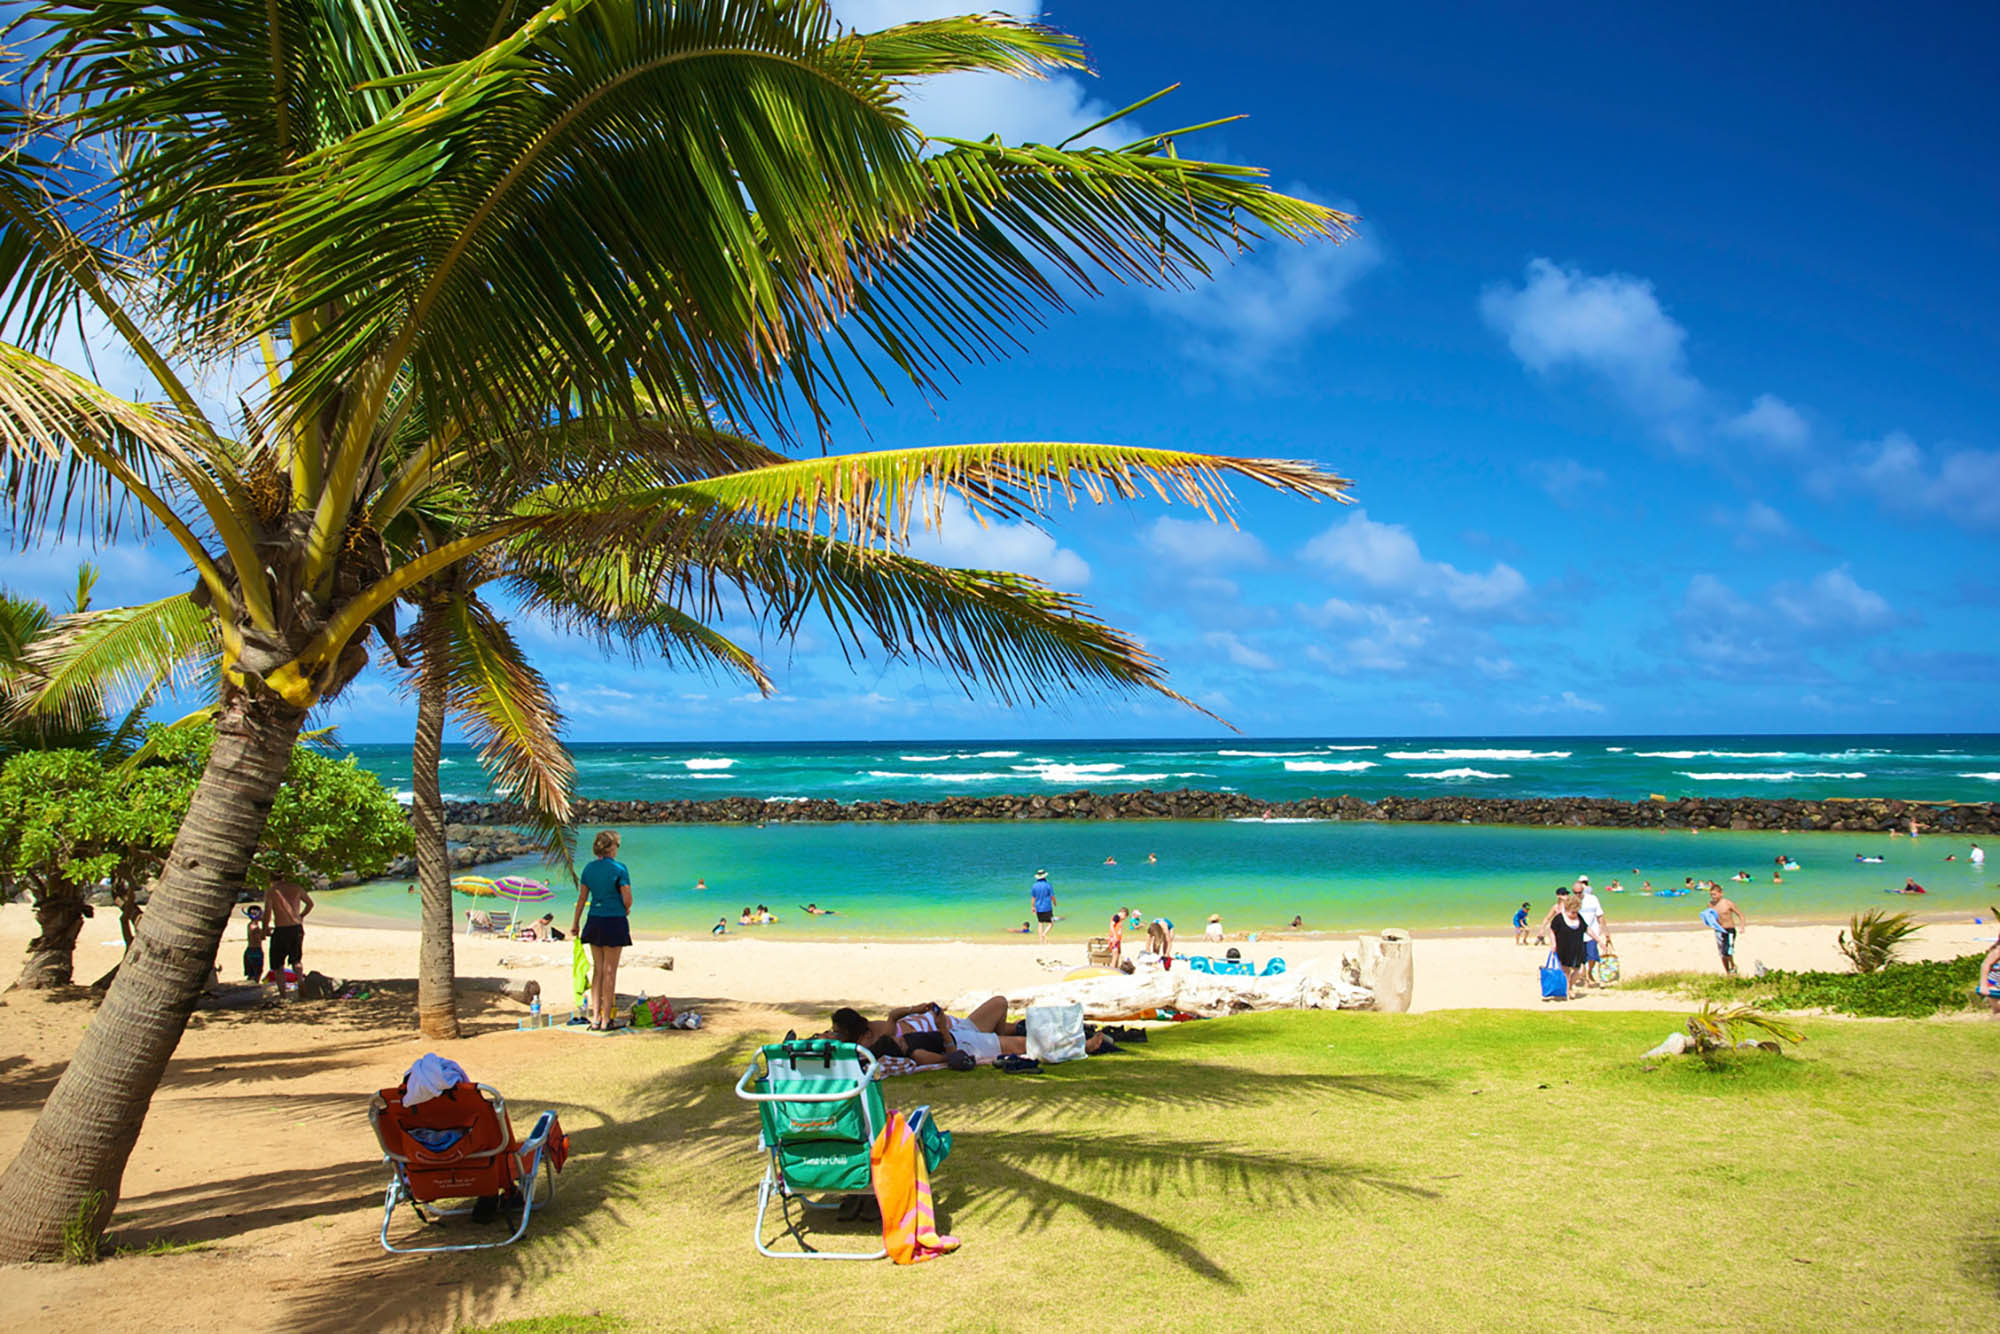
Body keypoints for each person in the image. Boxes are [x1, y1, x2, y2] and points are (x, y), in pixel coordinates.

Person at [571, 829, 633, 1031]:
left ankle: (596, 1017)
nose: (618, 849)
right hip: (614, 920)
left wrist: (575, 923)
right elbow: (627, 898)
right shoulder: (619, 868)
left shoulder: (589, 869)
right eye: (617, 845)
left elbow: (582, 899)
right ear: (611, 847)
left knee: (598, 969)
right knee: (610, 972)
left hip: (594, 920)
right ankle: (607, 1019)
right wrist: (626, 908)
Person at [1536, 891, 1588, 994]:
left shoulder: (1577, 915)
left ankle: (1568, 988)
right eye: (1563, 894)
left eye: (1566, 894)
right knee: (1566, 971)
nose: (1565, 895)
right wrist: (1544, 933)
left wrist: (1599, 940)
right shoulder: (1556, 909)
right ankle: (1568, 990)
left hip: (1576, 946)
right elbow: (1549, 922)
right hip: (1563, 944)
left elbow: (1585, 928)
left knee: (1579, 970)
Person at [264, 878, 313, 982]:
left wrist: (265, 928)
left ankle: (283, 994)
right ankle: (300, 983)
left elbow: (267, 913)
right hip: (297, 927)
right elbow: (310, 904)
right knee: (296, 960)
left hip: (281, 929)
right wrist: (301, 915)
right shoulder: (296, 888)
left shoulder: (272, 891)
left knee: (278, 965)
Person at [1704, 883, 1745, 975]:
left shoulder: (1728, 903)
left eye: (1714, 894)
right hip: (1718, 930)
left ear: (1720, 893)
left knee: (1728, 951)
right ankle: (1728, 972)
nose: (1713, 897)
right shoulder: (1710, 905)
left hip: (1729, 930)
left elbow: (1740, 915)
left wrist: (1742, 927)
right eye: (1711, 895)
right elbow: (1709, 917)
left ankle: (1733, 966)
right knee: (1722, 953)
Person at [1577, 879, 1610, 987]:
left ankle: (1590, 972)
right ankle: (1584, 976)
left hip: (1593, 933)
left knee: (1592, 957)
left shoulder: (1593, 899)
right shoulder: (1572, 901)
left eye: (1579, 892)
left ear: (1584, 890)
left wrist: (1606, 933)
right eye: (1575, 892)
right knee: (1581, 959)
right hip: (1577, 934)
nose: (1577, 895)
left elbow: (1600, 915)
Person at [242, 906, 268, 982]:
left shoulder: (251, 925)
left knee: (252, 974)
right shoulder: (254, 927)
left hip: (251, 951)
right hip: (255, 951)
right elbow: (263, 936)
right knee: (256, 974)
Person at [1030, 869, 1056, 943]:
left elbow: (1033, 898)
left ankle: (1041, 940)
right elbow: (1052, 896)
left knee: (1040, 923)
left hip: (1038, 907)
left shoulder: (1034, 886)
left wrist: (1033, 907)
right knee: (1051, 923)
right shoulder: (1048, 885)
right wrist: (1055, 902)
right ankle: (1044, 934)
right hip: (1047, 906)